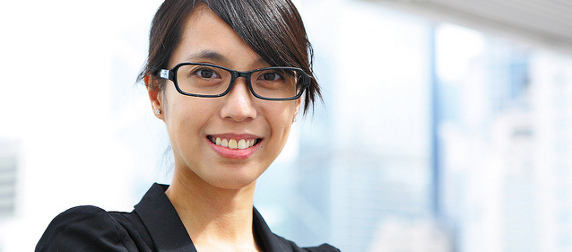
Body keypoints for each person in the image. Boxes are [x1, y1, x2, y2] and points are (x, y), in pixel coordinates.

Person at [35, 0, 339, 251]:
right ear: (156, 94)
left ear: (296, 101)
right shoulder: (90, 244)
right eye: (207, 73)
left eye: (271, 76)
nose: (240, 109)